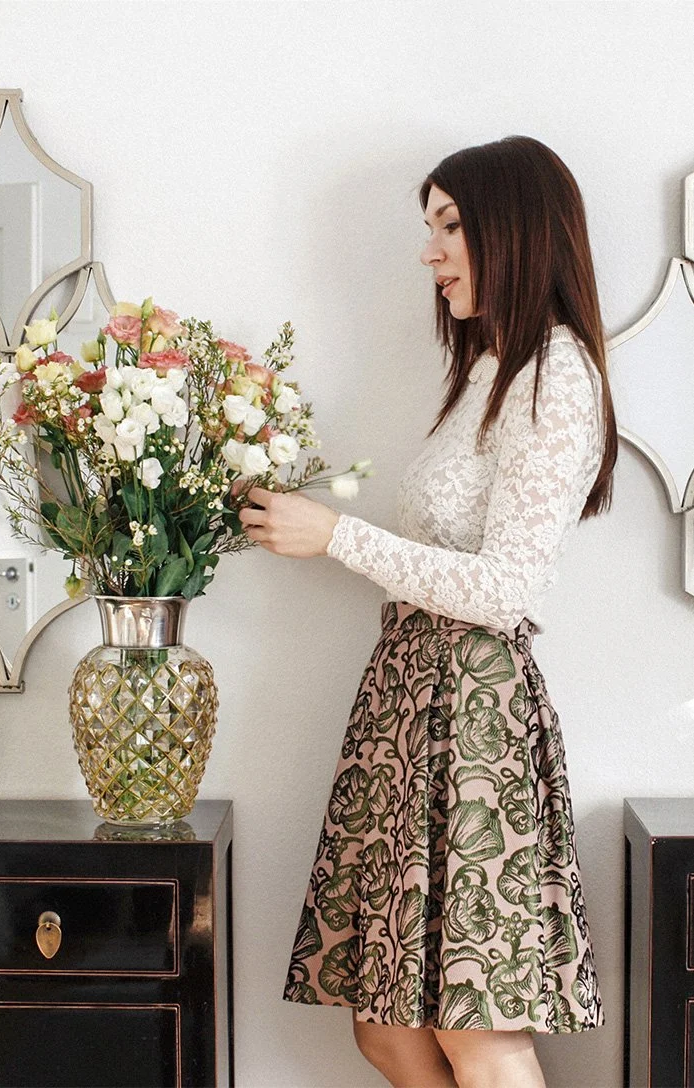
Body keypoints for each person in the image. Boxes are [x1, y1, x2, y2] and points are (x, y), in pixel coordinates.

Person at [239, 135, 617, 1088]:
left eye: (449, 225)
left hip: (472, 719)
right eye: (430, 227)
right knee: (388, 1028)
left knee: (476, 1034)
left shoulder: (554, 374)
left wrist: (335, 537)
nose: (429, 252)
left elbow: (507, 589)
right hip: (412, 709)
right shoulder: (490, 369)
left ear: (514, 229)